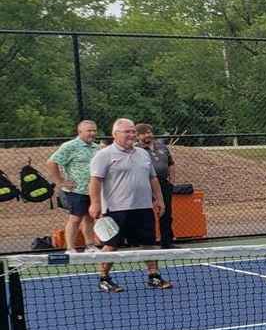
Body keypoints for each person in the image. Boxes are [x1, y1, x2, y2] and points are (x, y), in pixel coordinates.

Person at [89, 118, 172, 292]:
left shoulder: (142, 153)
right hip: (116, 209)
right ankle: (104, 278)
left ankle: (154, 276)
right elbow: (95, 180)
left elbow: (153, 178)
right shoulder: (104, 155)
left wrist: (159, 199)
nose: (132, 135)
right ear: (115, 134)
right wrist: (95, 203)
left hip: (142, 207)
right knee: (112, 245)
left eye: (133, 131)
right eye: (127, 132)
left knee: (149, 243)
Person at [46, 120, 102, 253]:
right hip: (76, 190)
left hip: (92, 191)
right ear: (80, 132)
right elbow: (51, 162)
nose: (92, 133)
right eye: (89, 130)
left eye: (94, 130)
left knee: (89, 218)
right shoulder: (69, 146)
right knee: (75, 218)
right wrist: (60, 181)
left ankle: (90, 245)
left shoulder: (96, 148)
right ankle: (70, 248)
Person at [134, 123, 176, 248]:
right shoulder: (136, 150)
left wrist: (172, 180)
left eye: (149, 132)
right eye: (144, 133)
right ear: (137, 136)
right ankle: (146, 242)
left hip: (164, 184)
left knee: (166, 213)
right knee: (146, 214)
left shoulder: (162, 146)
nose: (148, 135)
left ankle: (167, 242)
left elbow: (171, 163)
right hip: (145, 185)